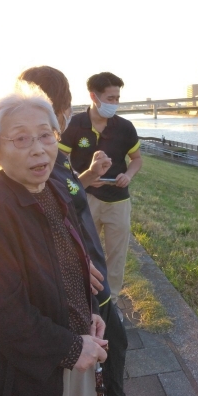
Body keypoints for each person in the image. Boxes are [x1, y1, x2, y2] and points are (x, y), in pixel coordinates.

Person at [0, 82, 108, 396]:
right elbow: (4, 311)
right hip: (32, 377)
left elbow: (69, 262)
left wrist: (91, 311)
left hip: (76, 351)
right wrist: (70, 348)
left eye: (45, 135)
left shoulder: (53, 189)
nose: (39, 149)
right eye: (21, 139)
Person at [19, 66, 134, 396]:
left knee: (114, 343)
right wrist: (79, 267)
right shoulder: (42, 162)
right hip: (83, 285)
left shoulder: (51, 160)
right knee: (111, 345)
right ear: (59, 109)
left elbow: (67, 194)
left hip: (89, 280)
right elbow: (47, 222)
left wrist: (90, 174)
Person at [60, 72, 142, 304]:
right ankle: (87, 300)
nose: (114, 103)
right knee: (83, 251)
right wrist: (83, 177)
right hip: (86, 198)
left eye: (117, 98)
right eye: (110, 98)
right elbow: (60, 160)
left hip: (118, 200)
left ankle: (112, 301)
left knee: (117, 255)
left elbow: (136, 159)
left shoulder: (125, 127)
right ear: (93, 96)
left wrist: (128, 175)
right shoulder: (74, 124)